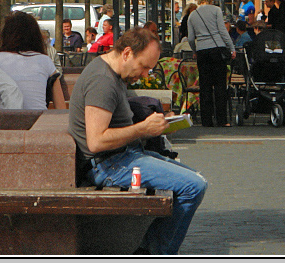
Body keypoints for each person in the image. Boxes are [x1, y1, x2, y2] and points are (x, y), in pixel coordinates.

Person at [70, 26, 208, 254]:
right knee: (194, 186)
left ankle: (149, 251)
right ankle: (152, 253)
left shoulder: (112, 74)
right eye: (144, 67)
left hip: (121, 157)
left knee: (194, 179)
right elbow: (96, 141)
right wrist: (143, 129)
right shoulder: (102, 81)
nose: (144, 75)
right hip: (108, 164)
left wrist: (159, 124)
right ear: (126, 53)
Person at [0, 12, 67, 109]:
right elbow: (60, 106)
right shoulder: (45, 60)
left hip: (7, 120)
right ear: (35, 36)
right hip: (39, 120)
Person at [185, 0, 235, 128]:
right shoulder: (216, 11)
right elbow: (222, 31)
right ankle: (222, 119)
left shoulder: (192, 15)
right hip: (217, 49)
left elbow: (190, 38)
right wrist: (231, 48)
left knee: (205, 86)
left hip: (202, 51)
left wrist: (195, 50)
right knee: (220, 86)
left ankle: (206, 120)